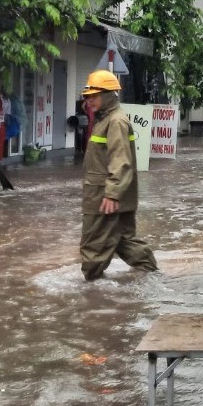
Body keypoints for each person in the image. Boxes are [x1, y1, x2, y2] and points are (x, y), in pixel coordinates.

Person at [79, 69, 158, 281]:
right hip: (112, 196)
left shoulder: (115, 122)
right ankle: (149, 277)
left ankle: (91, 296)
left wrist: (112, 193)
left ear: (108, 95)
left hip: (105, 198)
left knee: (93, 248)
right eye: (87, 97)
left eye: (94, 96)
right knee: (125, 241)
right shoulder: (105, 120)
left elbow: (121, 161)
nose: (89, 101)